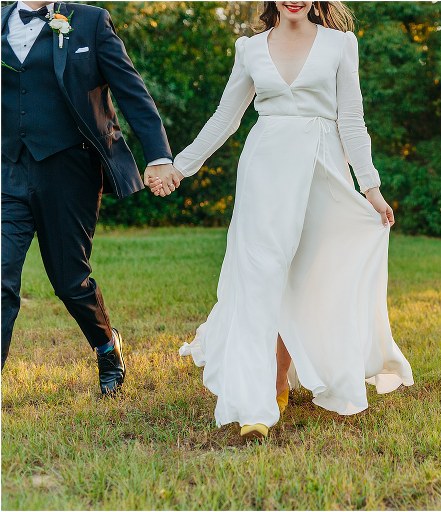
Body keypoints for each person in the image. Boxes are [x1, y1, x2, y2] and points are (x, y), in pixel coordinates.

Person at [149, 0, 414, 441]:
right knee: (261, 275)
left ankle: (285, 374)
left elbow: (351, 120)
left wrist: (370, 187)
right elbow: (225, 118)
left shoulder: (340, 45)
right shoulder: (249, 49)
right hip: (265, 170)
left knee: (305, 277)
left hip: (320, 171)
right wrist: (181, 166)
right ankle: (260, 396)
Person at [0, 1, 178, 394]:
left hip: (70, 171)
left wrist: (159, 156)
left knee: (69, 279)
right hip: (7, 169)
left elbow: (131, 90)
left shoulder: (91, 22)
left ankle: (105, 345)